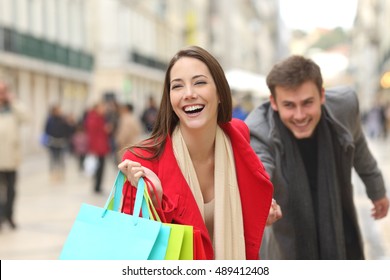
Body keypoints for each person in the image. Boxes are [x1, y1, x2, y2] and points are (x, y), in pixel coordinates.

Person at [118, 46, 274, 260]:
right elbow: (133, 248)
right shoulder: (141, 161)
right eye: (177, 86)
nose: (189, 94)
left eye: (199, 82)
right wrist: (155, 201)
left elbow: (250, 195)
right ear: (170, 98)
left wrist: (263, 209)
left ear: (219, 92)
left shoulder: (238, 135)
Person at [245, 55, 389, 260]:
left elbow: (359, 145)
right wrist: (261, 201)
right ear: (273, 102)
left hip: (339, 221)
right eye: (289, 105)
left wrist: (377, 189)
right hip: (289, 239)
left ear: (322, 95)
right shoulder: (258, 128)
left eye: (307, 103)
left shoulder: (345, 106)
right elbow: (259, 169)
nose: (300, 115)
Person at [0, 79, 29, 229]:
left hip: (11, 158)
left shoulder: (13, 109)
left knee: (11, 190)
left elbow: (27, 118)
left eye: (3, 91)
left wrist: (14, 101)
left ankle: (9, 216)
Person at [84, 101, 112, 193]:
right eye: (102, 108)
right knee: (98, 168)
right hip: (97, 148)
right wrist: (93, 148)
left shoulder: (100, 118)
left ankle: (98, 185)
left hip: (102, 146)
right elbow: (92, 135)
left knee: (101, 167)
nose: (104, 110)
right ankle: (97, 186)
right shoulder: (93, 119)